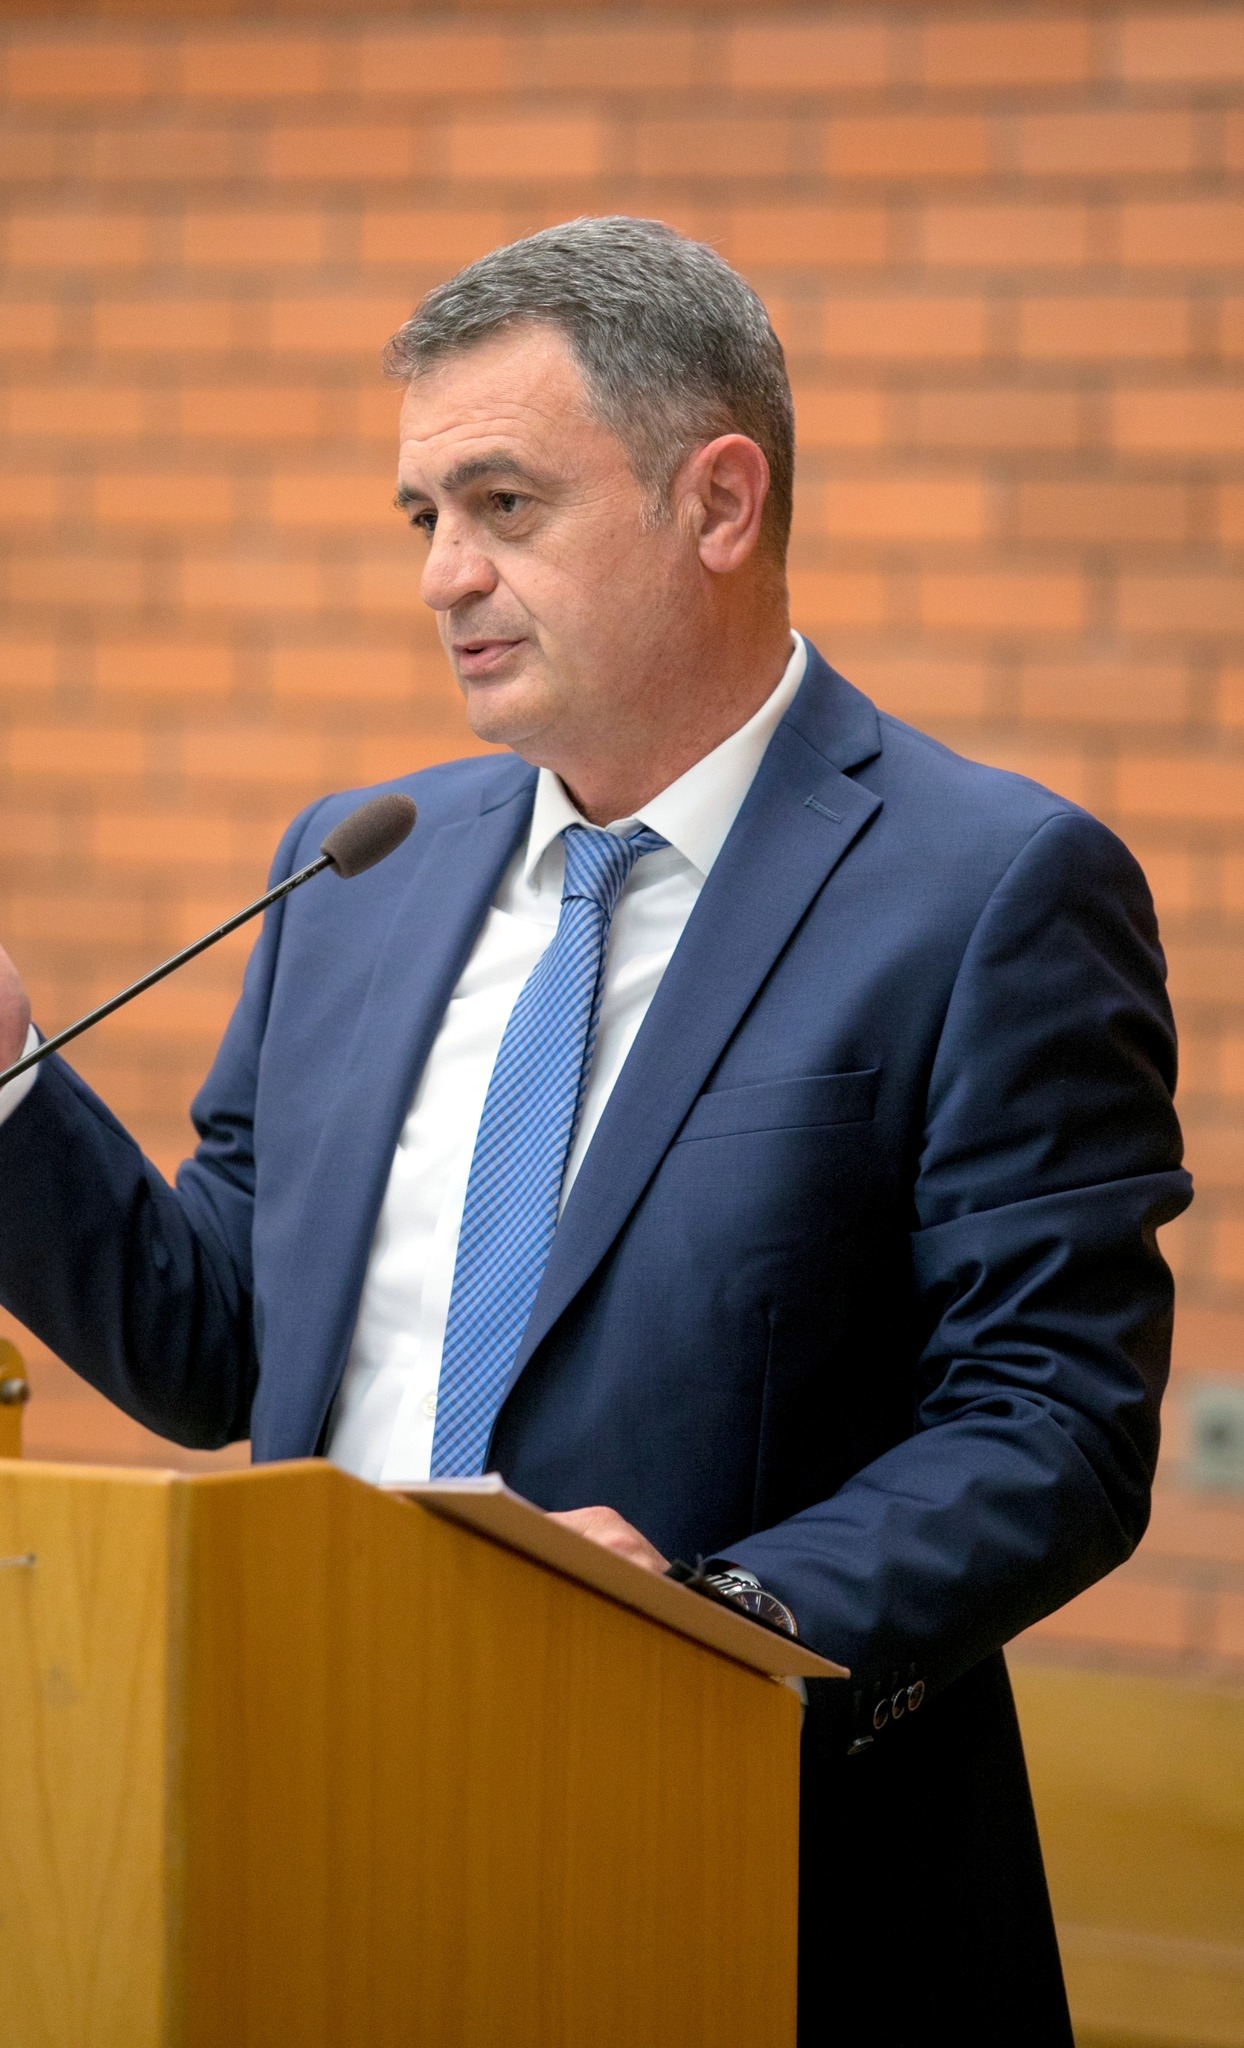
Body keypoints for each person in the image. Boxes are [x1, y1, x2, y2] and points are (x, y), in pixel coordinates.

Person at [0, 218, 1190, 2042]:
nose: (442, 576)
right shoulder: (358, 868)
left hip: (749, 1881)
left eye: (504, 504)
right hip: (314, 1831)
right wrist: (14, 1083)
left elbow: (1054, 1425)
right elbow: (216, 1341)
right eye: (423, 517)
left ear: (719, 501)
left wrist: (714, 1614)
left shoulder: (992, 889)